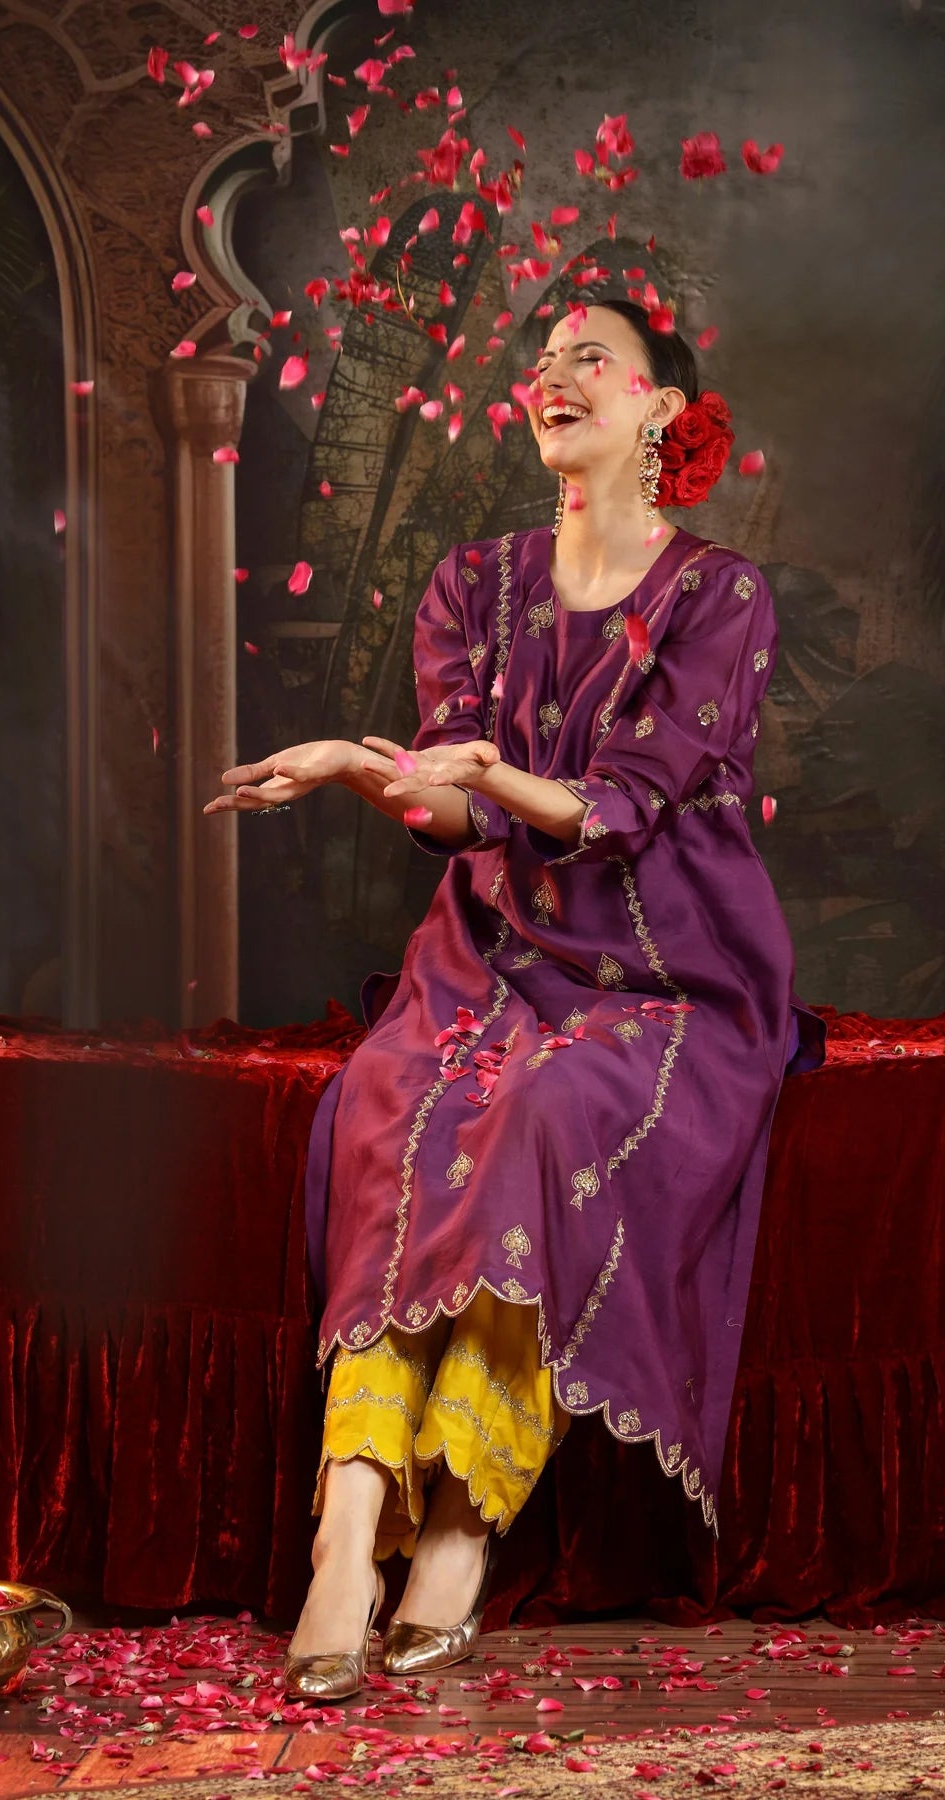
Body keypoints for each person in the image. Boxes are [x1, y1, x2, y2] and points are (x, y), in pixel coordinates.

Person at [204, 299, 826, 1697]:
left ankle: (460, 1523)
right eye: (543, 356)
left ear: (663, 408)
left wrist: (487, 775)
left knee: (545, 1109)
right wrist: (362, 770)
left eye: (591, 355)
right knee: (394, 1099)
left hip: (668, 972)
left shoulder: (719, 597)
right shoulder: (472, 585)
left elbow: (622, 806)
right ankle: (350, 1526)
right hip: (491, 955)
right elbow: (451, 809)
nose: (554, 372)